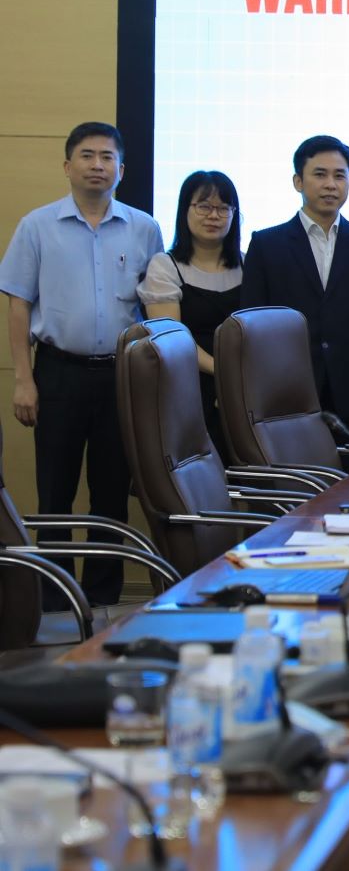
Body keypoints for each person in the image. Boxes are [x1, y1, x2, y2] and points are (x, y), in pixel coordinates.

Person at [0, 122, 163, 606]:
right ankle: (56, 599)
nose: (97, 165)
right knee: (55, 492)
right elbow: (18, 306)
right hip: (58, 373)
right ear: (67, 165)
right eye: (87, 156)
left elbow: (156, 305)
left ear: (121, 169)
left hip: (120, 375)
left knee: (110, 493)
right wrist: (23, 380)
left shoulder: (144, 228)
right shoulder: (37, 226)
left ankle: (103, 597)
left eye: (107, 157)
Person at [239, 135, 349, 444]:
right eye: (320, 174)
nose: (330, 185)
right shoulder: (266, 244)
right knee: (294, 474)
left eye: (340, 176)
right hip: (286, 394)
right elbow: (253, 327)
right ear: (298, 181)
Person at [139, 169, 244, 448]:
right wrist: (225, 371)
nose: (214, 216)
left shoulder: (248, 264)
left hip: (241, 390)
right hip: (186, 387)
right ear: (185, 209)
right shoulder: (165, 266)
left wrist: (238, 378)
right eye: (204, 206)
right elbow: (173, 339)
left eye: (223, 208)